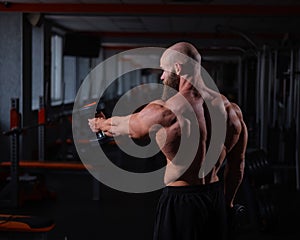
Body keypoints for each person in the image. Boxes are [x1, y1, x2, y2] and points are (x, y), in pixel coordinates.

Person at [88, 42, 248, 240]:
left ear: (178, 68)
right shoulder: (232, 110)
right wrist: (227, 204)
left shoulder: (165, 111)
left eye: (164, 70)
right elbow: (237, 165)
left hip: (181, 203)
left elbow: (125, 127)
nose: (162, 76)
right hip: (215, 198)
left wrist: (100, 124)